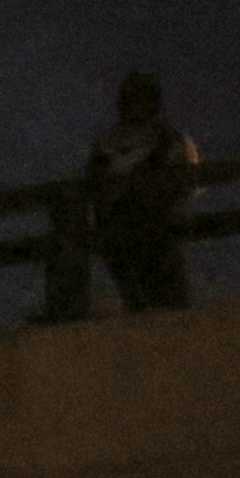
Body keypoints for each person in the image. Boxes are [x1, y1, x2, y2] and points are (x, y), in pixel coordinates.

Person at [79, 72, 199, 312]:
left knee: (143, 303)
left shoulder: (107, 145)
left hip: (124, 235)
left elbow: (94, 192)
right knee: (169, 303)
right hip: (154, 231)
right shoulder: (165, 138)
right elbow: (187, 183)